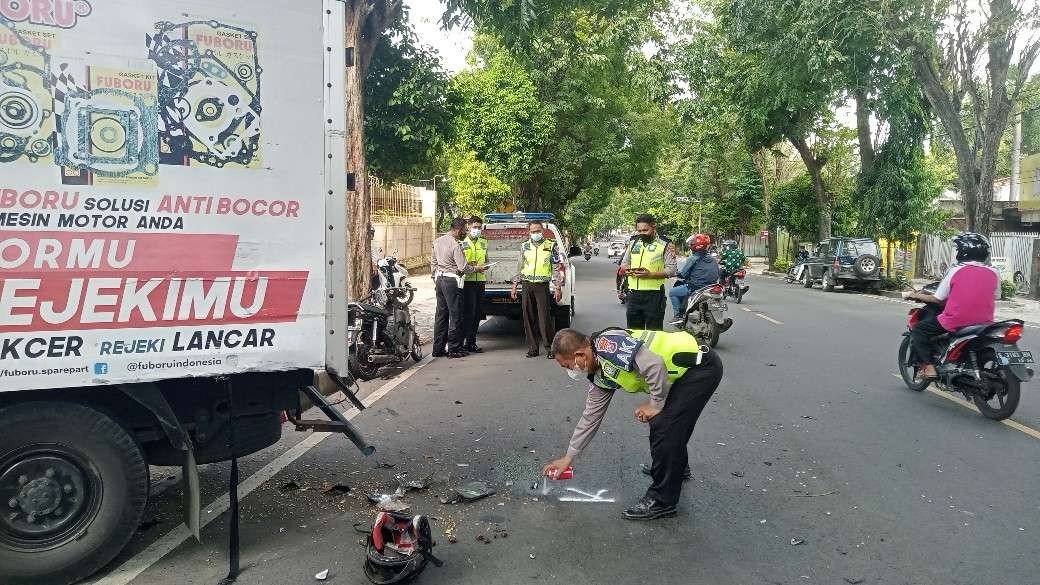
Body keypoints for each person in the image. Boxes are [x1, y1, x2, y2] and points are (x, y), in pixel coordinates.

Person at [542, 327, 723, 520]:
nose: (569, 371)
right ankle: (676, 467)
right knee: (673, 423)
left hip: (699, 368)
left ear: (579, 354)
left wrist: (655, 404)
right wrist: (568, 457)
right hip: (679, 376)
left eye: (567, 365)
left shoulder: (608, 346)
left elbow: (654, 365)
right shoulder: (599, 374)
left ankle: (662, 500)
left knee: (663, 425)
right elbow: (590, 417)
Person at [906, 232, 999, 379]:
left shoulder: (956, 270)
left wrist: (915, 295)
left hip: (956, 320)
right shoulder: (994, 272)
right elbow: (996, 295)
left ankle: (929, 368)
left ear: (963, 251)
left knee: (919, 330)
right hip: (985, 322)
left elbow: (937, 299)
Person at [431, 218, 486, 358]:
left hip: (439, 279)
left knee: (441, 315)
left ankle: (438, 349)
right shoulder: (455, 244)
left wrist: (435, 277)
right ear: (458, 229)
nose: (465, 232)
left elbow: (433, 263)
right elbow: (463, 267)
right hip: (452, 281)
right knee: (456, 315)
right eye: (464, 230)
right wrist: (477, 268)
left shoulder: (437, 241)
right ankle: (454, 349)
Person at [511, 221, 564, 358]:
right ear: (529, 232)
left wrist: (558, 287)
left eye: (538, 231)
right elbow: (520, 266)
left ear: (542, 231)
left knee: (544, 318)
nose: (536, 233)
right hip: (527, 284)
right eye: (533, 231)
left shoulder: (551, 245)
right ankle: (533, 348)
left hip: (542, 286)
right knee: (528, 317)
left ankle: (549, 348)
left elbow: (556, 267)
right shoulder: (524, 246)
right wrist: (515, 285)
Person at [620, 214, 676, 330]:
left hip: (654, 296)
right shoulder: (633, 242)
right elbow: (624, 263)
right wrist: (628, 270)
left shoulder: (666, 244)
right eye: (639, 230)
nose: (642, 233)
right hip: (633, 295)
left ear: (653, 228)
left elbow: (671, 269)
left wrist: (650, 275)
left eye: (645, 230)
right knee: (634, 335)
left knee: (654, 335)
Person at [669, 234, 720, 321]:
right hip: (711, 287)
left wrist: (676, 273)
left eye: (692, 244)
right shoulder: (713, 259)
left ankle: (678, 316)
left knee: (672, 292)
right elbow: (717, 273)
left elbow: (684, 274)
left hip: (696, 287)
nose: (690, 245)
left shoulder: (693, 258)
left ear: (695, 246)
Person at [461, 216, 489, 353]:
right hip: (467, 282)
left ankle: (472, 342)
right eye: (475, 227)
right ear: (469, 227)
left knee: (478, 313)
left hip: (480, 280)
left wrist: (486, 266)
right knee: (469, 313)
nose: (477, 230)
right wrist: (472, 265)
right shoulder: (462, 242)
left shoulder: (484, 242)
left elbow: (486, 259)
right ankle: (464, 342)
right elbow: (459, 263)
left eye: (479, 228)